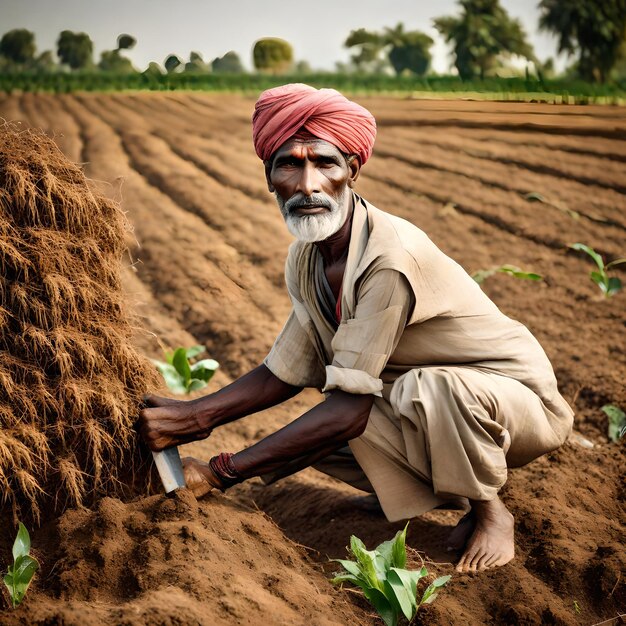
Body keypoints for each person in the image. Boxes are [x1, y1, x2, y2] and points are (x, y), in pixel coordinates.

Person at [139, 83, 574, 573]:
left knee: (409, 395)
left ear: (352, 170)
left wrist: (220, 472)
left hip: (515, 405)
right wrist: (193, 413)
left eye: (324, 163)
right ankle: (418, 489)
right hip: (442, 400)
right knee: (313, 439)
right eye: (290, 164)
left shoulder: (388, 260)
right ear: (269, 177)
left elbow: (349, 410)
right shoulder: (308, 253)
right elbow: (287, 370)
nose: (307, 184)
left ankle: (490, 511)